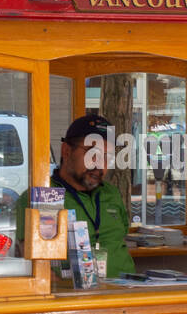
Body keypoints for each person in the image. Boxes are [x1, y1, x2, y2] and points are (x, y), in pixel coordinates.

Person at [14, 114, 136, 279]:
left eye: (107, 157)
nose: (100, 164)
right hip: (74, 297)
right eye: (92, 153)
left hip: (128, 292)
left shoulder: (111, 193)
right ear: (67, 151)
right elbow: (37, 267)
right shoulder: (45, 196)